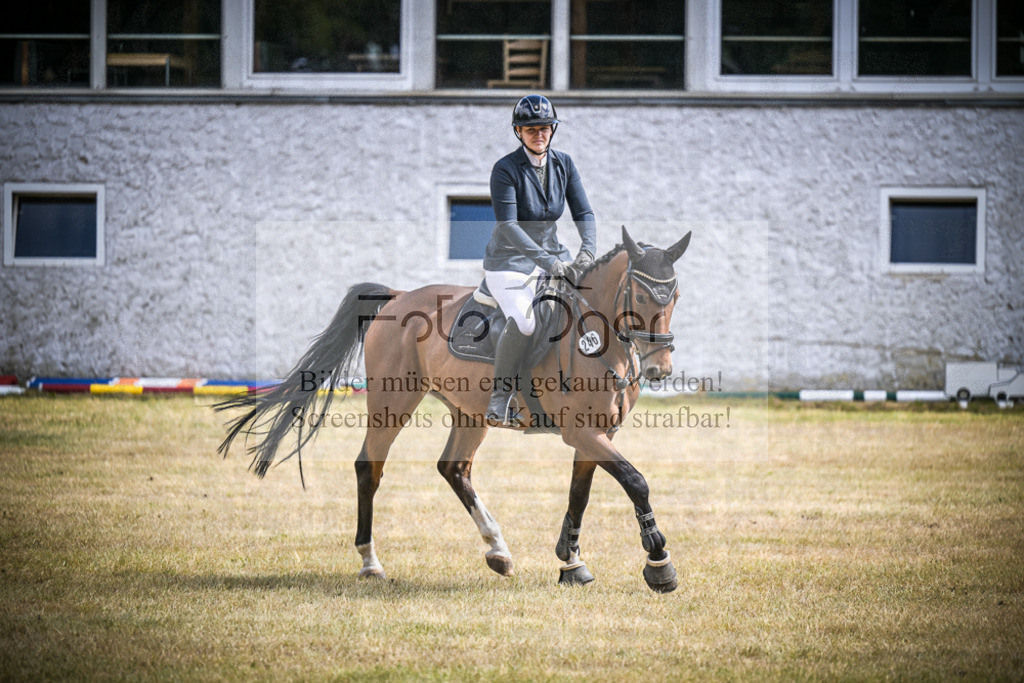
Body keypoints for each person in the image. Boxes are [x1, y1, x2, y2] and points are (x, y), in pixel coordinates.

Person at [483, 94, 597, 424]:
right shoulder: (505, 169)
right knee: (524, 320)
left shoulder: (564, 164)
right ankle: (501, 396)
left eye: (545, 128)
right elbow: (508, 226)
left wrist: (587, 250)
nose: (539, 134)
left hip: (555, 255)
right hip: (509, 262)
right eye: (531, 129)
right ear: (519, 132)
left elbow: (584, 210)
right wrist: (550, 264)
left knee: (590, 304)